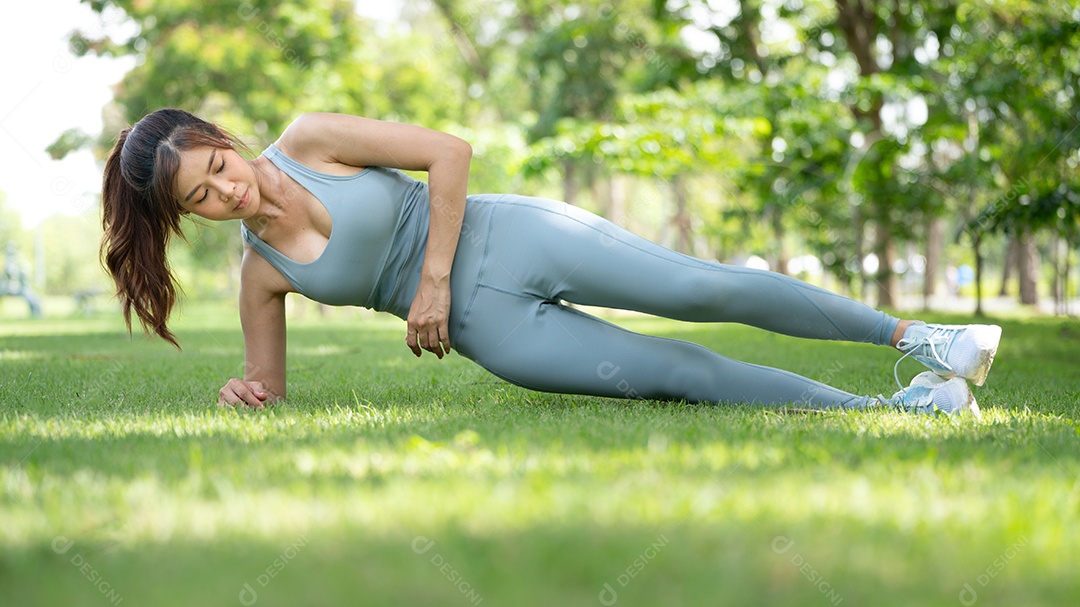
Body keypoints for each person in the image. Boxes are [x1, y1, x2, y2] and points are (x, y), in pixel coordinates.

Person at [100, 109, 1001, 417]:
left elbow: (448, 151)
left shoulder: (308, 140)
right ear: (188, 217)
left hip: (513, 239)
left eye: (215, 168)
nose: (226, 194)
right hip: (497, 333)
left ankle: (929, 337)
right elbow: (272, 390)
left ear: (220, 139)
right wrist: (243, 394)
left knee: (704, 288)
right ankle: (896, 407)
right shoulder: (261, 273)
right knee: (679, 374)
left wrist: (436, 279)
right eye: (200, 200)